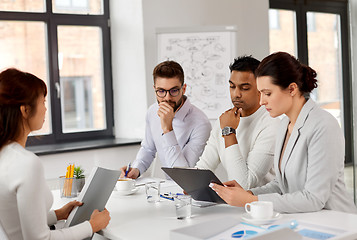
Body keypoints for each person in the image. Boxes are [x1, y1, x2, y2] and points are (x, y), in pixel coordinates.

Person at [209, 52, 357, 213]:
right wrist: (247, 194)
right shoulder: (285, 124)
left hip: (335, 221)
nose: (261, 101)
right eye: (261, 93)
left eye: (268, 93)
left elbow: (314, 198)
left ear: (292, 89)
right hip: (304, 218)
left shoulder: (323, 125)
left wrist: (251, 200)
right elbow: (282, 185)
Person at [0, 68, 110, 239]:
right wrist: (92, 225)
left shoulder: (6, 155)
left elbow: (15, 219)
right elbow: (40, 238)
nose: (45, 109)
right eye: (43, 102)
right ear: (25, 110)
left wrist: (57, 214)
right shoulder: (25, 163)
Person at [195, 55, 280, 189]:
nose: (236, 94)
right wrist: (191, 185)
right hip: (235, 205)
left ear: (260, 89)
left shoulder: (271, 125)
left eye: (244, 88)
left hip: (264, 205)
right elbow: (204, 167)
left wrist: (229, 132)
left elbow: (243, 185)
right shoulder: (224, 120)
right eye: (232, 86)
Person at [121, 61, 212, 179]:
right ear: (155, 89)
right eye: (161, 91)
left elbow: (184, 174)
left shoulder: (201, 123)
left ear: (183, 89)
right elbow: (148, 149)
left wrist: (167, 129)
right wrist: (136, 169)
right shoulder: (152, 112)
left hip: (191, 190)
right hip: (166, 189)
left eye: (174, 91)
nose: (167, 98)